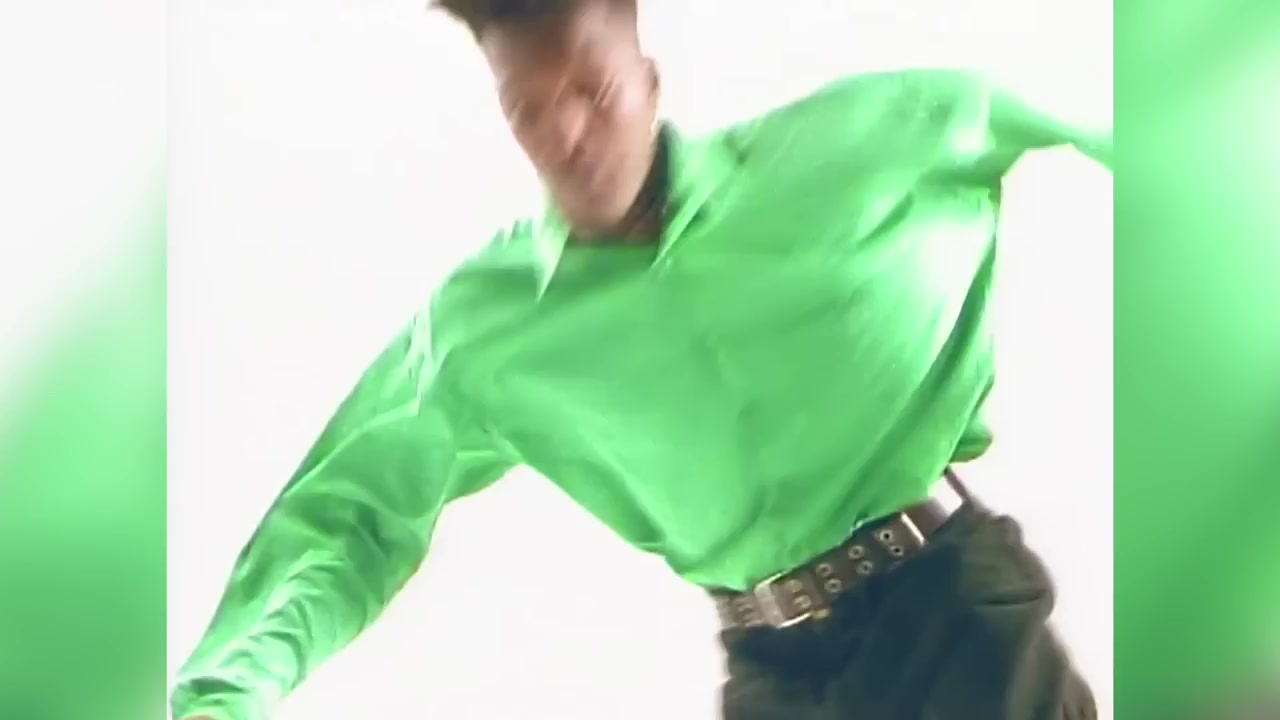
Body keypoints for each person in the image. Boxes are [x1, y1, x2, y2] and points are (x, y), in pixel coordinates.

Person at [171, 1, 1112, 718]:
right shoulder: (485, 327)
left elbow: (1109, 117)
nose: (568, 135)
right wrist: (224, 695)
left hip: (950, 617)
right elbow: (350, 521)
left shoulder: (860, 144)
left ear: (649, 81)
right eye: (530, 111)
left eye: (594, 90)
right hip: (774, 674)